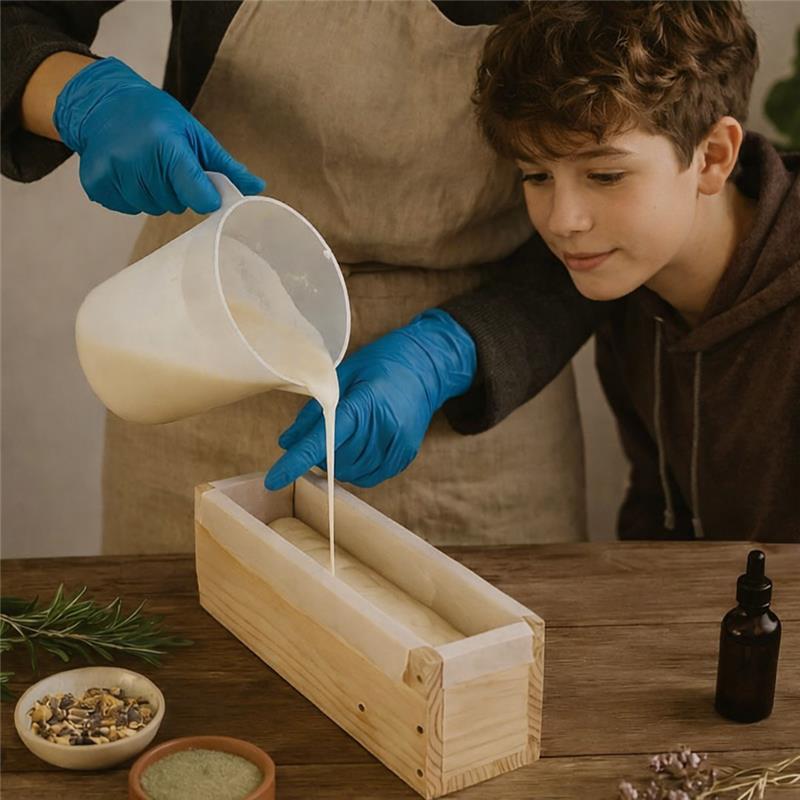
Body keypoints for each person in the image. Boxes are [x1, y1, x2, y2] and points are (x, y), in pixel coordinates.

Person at [2, 1, 604, 553]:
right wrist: (78, 93)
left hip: (479, 395)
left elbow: (628, 202)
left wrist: (449, 354)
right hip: (200, 322)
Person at [277, 0, 800, 543]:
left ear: (713, 157)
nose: (562, 221)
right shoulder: (635, 284)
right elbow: (658, 513)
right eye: (536, 176)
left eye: (605, 175)